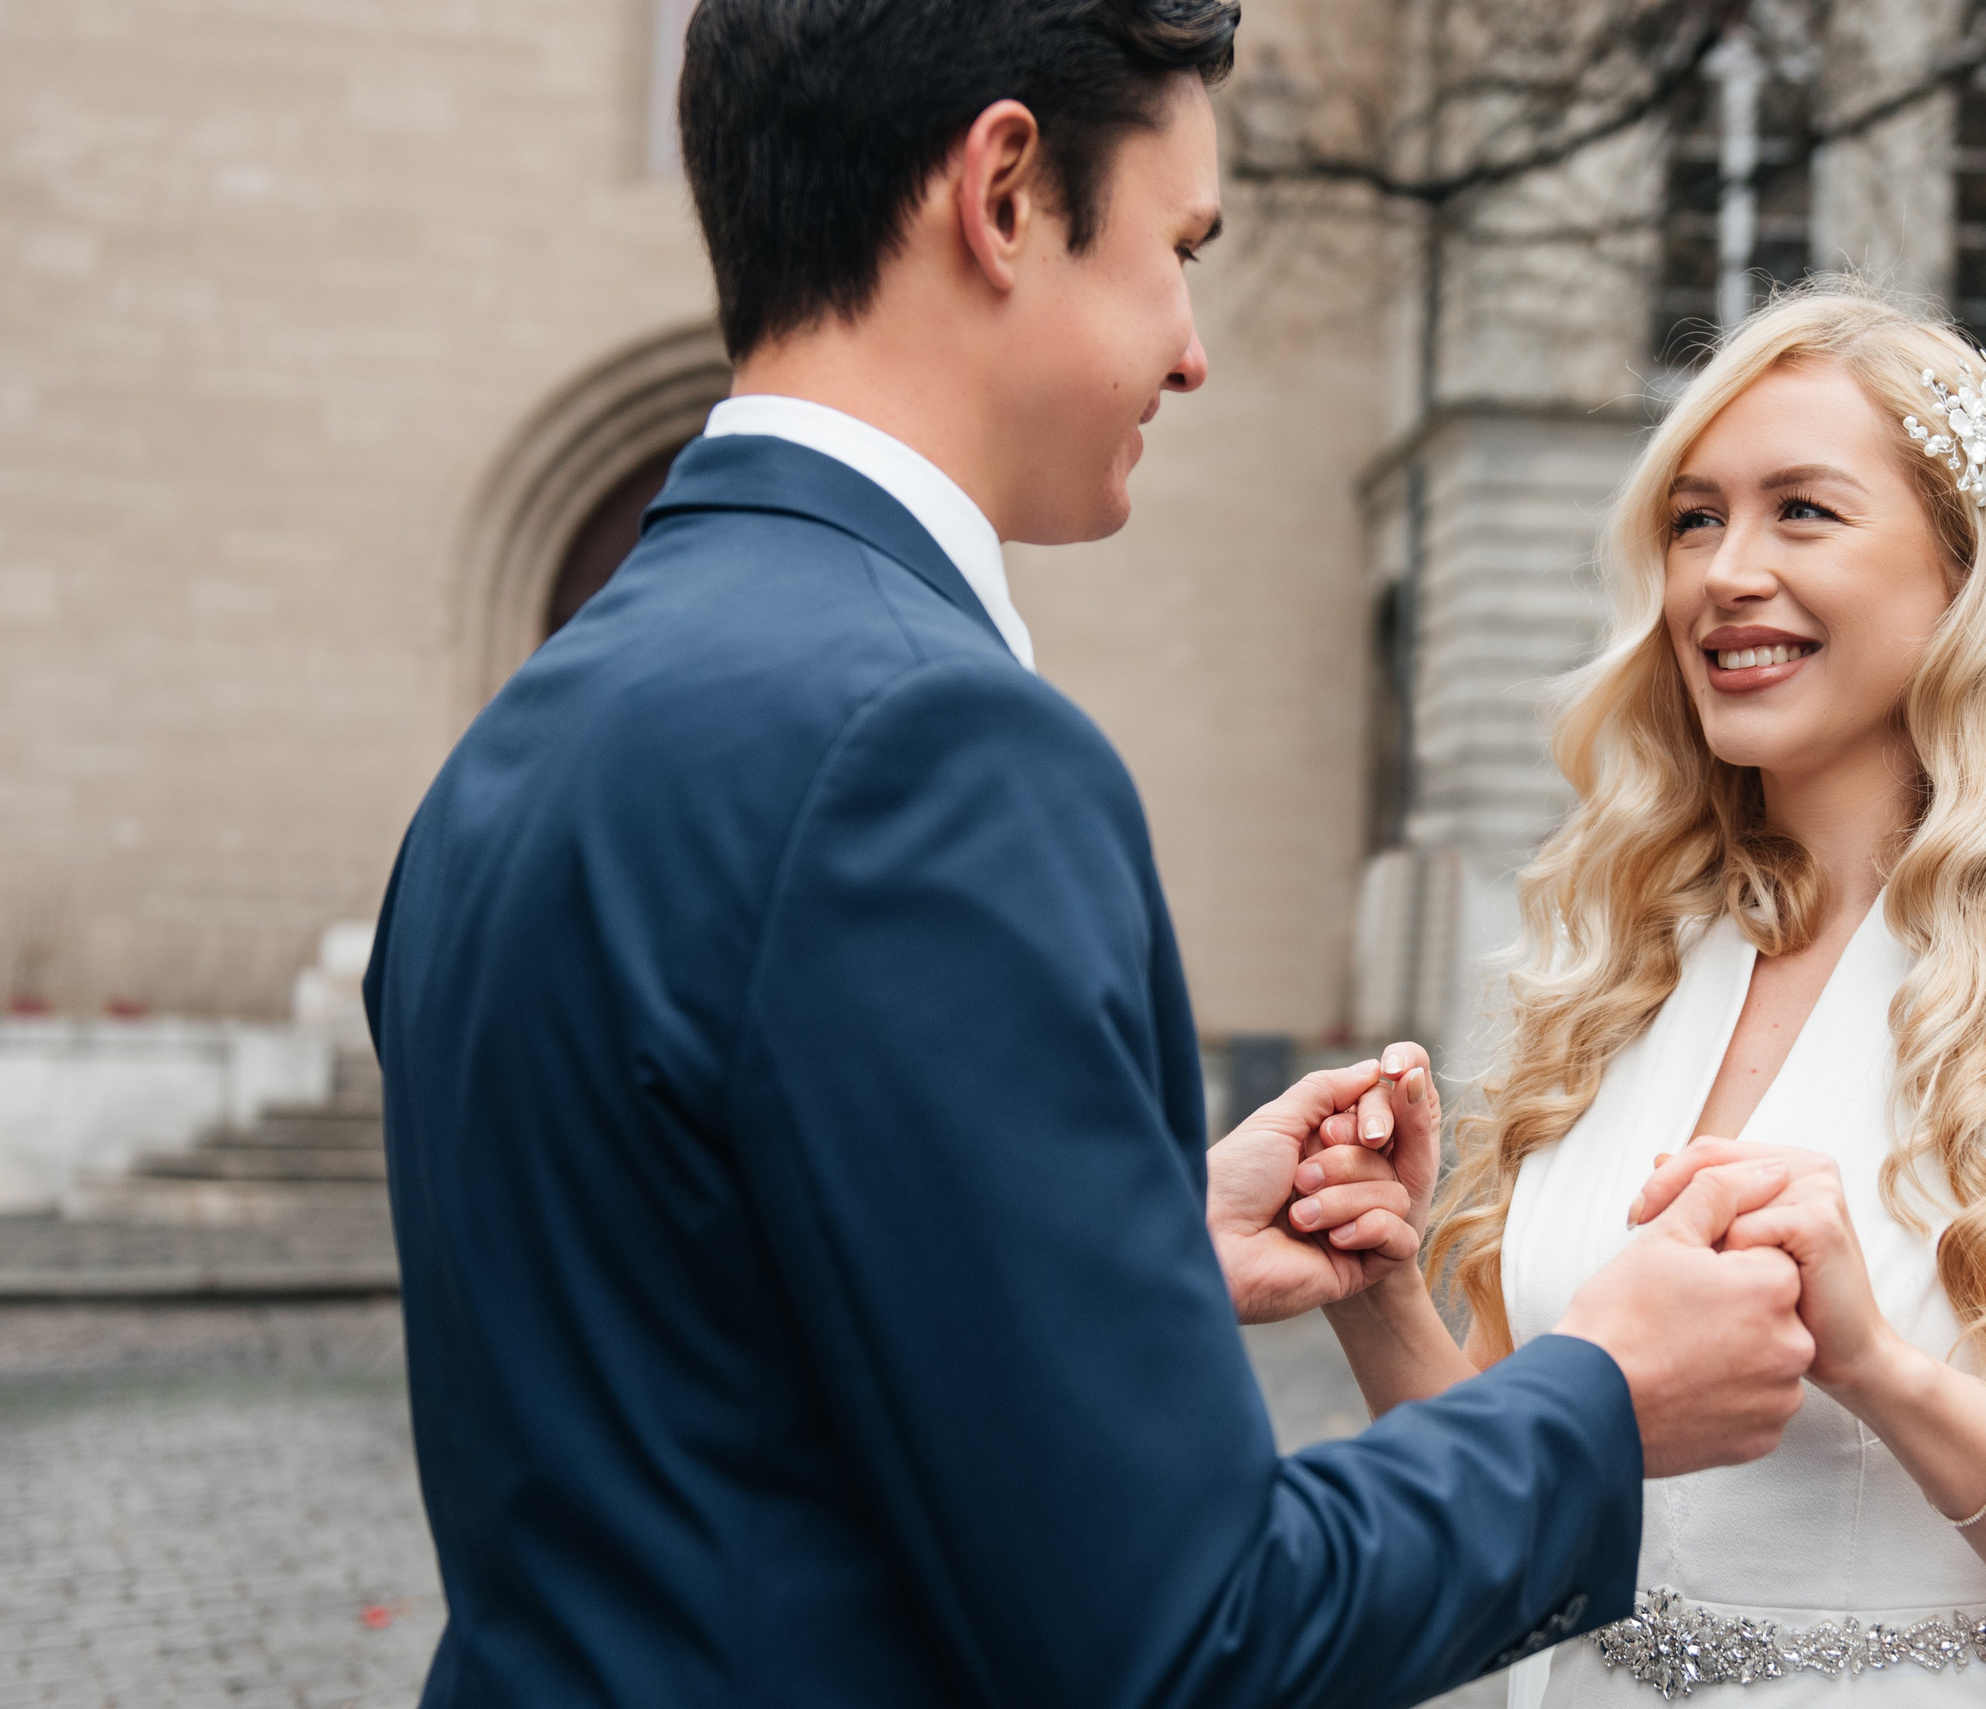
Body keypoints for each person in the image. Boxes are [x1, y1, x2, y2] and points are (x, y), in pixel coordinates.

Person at [362, 4, 1820, 1705]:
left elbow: (694, 1339)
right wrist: (1604, 1403)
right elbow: (1183, 1633)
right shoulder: (933, 748)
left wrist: (1121, 1240)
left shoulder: (523, 742)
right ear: (1003, 194)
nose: (1193, 350)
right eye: (1175, 248)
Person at [1302, 288, 1986, 1708]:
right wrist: (1377, 1285)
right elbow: (1516, 1499)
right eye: (1696, 517)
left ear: (1963, 572)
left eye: (1804, 513)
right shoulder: (1628, 953)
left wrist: (1885, 1371)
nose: (1724, 571)